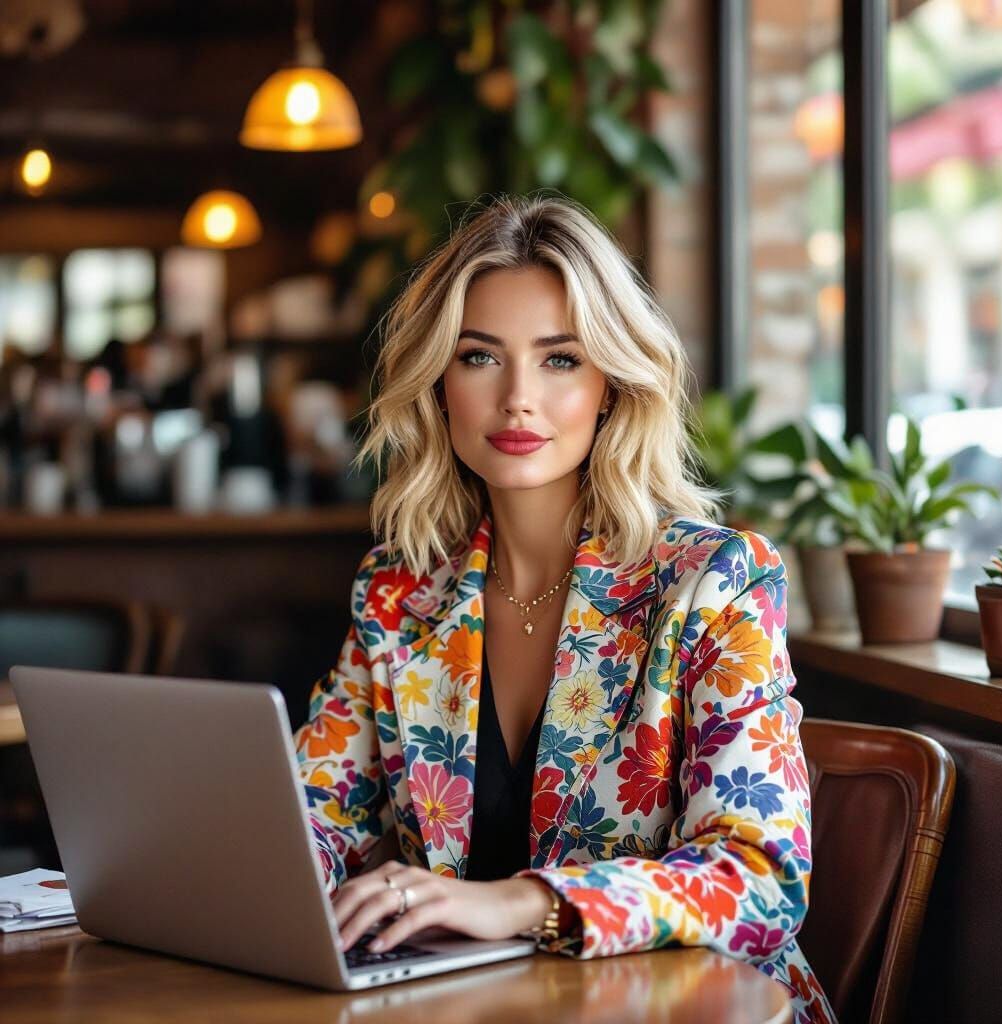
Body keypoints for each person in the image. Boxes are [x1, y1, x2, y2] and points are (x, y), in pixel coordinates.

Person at [294, 193, 836, 1024]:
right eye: (479, 357)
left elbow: (760, 880)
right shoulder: (397, 594)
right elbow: (316, 816)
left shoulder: (715, 582)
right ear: (439, 383)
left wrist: (522, 903)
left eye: (559, 360)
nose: (517, 398)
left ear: (613, 384)